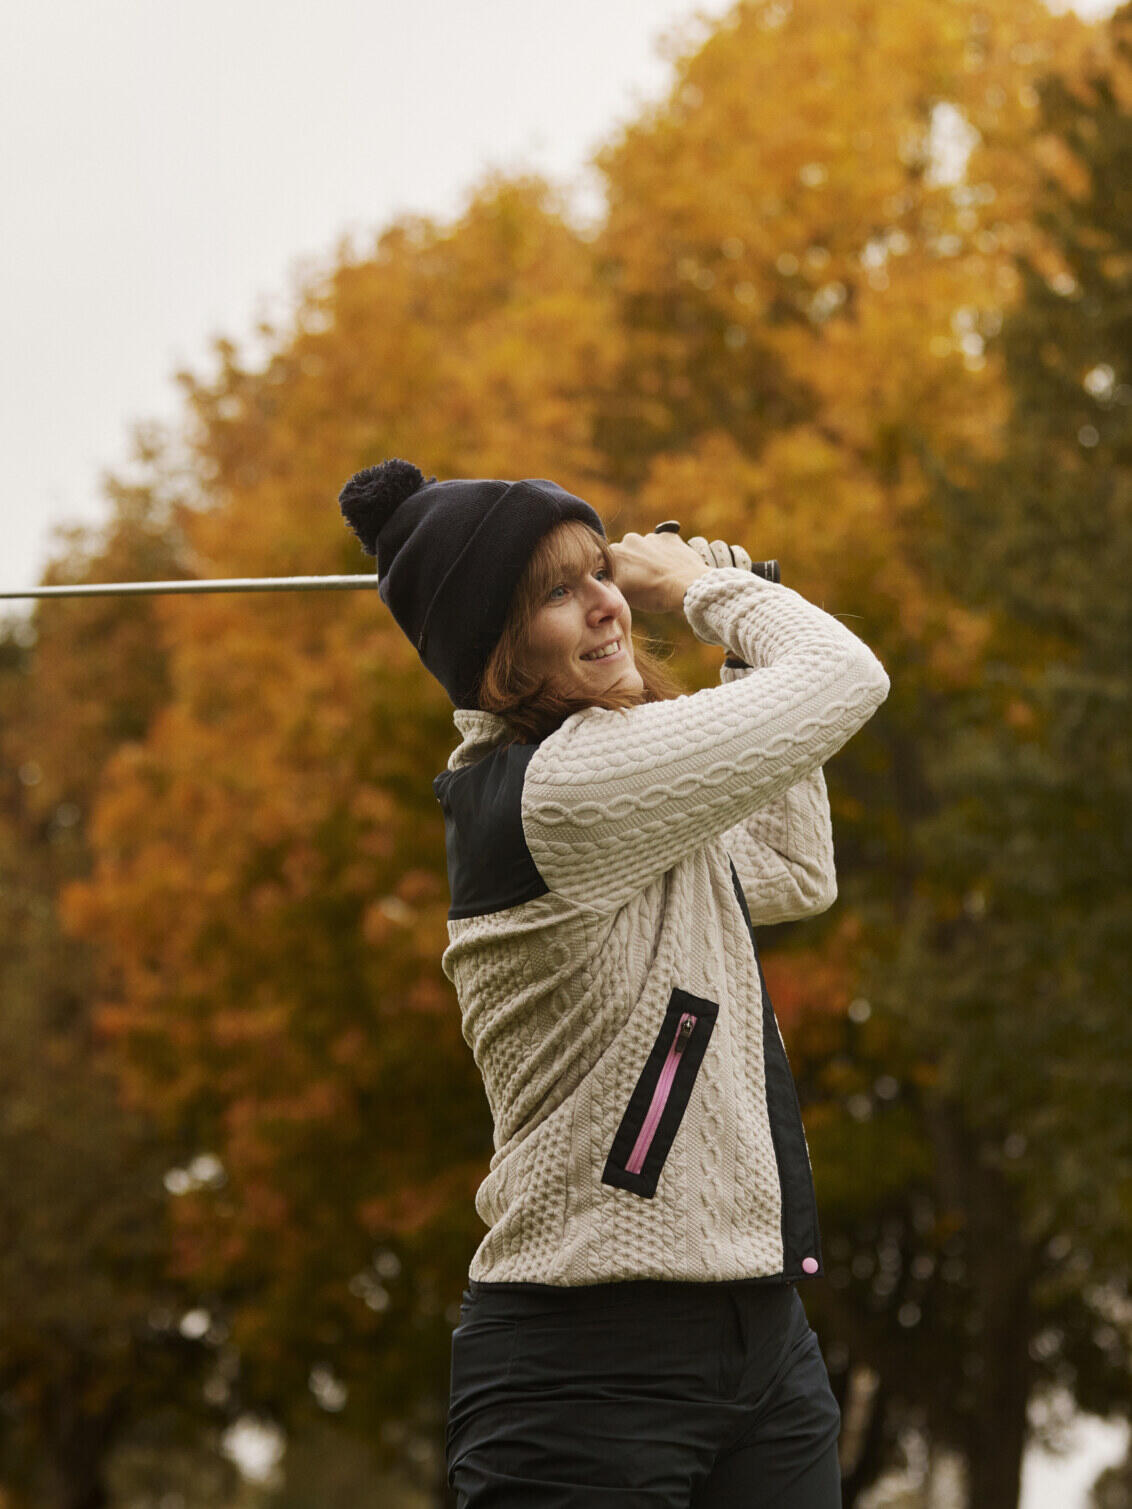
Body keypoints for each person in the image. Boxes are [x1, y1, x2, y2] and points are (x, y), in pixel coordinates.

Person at [338, 459, 891, 1508]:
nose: (608, 605)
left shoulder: (627, 784)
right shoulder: (559, 790)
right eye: (557, 592)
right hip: (583, 1366)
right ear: (494, 657)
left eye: (603, 571)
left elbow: (789, 871)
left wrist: (731, 630)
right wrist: (703, 589)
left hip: (763, 1346)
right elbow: (845, 676)